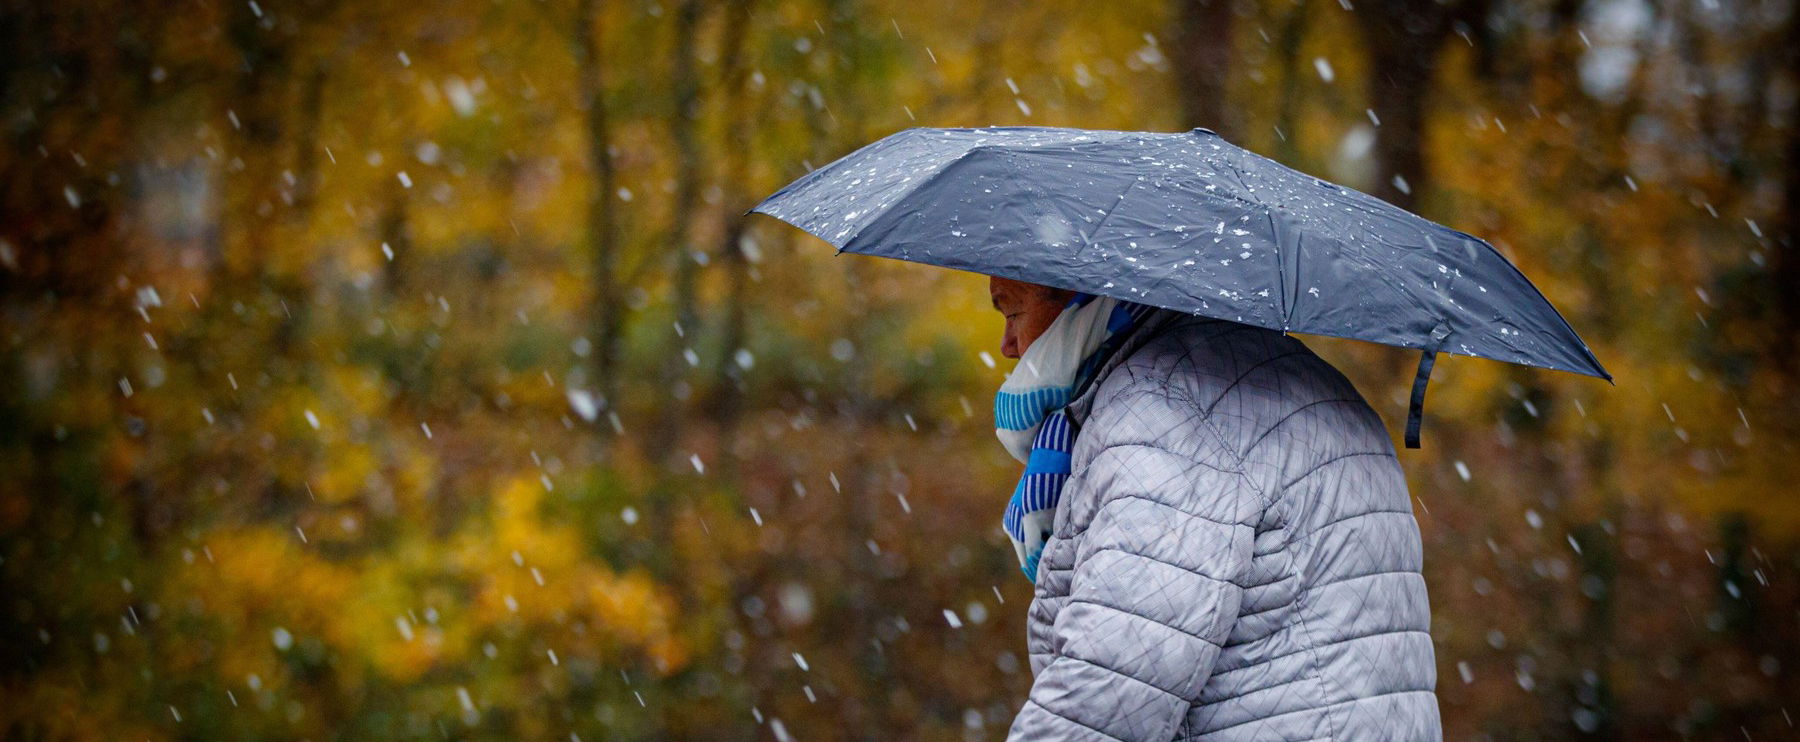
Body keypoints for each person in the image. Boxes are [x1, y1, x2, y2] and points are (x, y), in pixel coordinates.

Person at [988, 275, 1441, 741]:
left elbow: (1110, 687)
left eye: (1011, 314)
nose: (1006, 345)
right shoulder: (1310, 383)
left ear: (1073, 296)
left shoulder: (1168, 406)